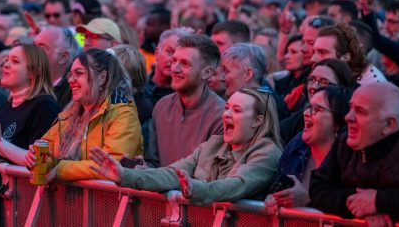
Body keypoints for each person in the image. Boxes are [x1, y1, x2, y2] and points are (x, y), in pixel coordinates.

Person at [89, 87, 282, 206]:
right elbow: (172, 173)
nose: (227, 115)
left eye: (237, 110)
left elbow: (236, 185)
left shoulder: (267, 153)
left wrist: (196, 188)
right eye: (226, 108)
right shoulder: (214, 143)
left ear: (258, 121)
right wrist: (125, 175)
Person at [310, 83, 399, 224]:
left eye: (360, 111)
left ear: (389, 124)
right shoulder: (344, 141)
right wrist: (358, 206)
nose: (348, 117)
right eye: (351, 107)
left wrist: (380, 202)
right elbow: (318, 188)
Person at [9, 48, 142, 182]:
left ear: (102, 77)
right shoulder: (70, 113)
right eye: (70, 74)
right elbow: (48, 149)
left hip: (109, 201)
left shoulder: (123, 114)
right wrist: (37, 159)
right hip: (70, 201)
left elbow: (110, 166)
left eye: (79, 73)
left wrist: (59, 170)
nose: (71, 80)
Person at [265, 86, 352, 214]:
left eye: (316, 109)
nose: (306, 113)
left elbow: (352, 207)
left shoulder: (348, 161)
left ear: (337, 123)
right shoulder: (297, 145)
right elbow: (275, 190)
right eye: (308, 107)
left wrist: (308, 199)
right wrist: (272, 199)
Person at [0, 43, 60, 154]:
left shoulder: (45, 106)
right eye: (7, 60)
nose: (6, 65)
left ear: (34, 72)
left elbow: (38, 160)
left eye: (15, 61)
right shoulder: (6, 106)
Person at [146, 34, 225, 168]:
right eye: (174, 60)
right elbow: (153, 162)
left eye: (185, 64)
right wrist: (140, 168)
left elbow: (207, 175)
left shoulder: (221, 116)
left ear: (206, 73)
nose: (174, 69)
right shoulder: (162, 106)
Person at [280, 59, 355, 144]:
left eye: (324, 82)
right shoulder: (290, 126)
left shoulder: (351, 133)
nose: (314, 86)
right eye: (312, 79)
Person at [311, 23, 385, 84]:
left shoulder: (370, 86)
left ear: (346, 57)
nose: (312, 59)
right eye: (314, 52)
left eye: (322, 52)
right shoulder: (314, 81)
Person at [141, 28, 193, 110]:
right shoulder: (139, 87)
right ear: (157, 53)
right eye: (169, 52)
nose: (173, 60)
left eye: (181, 56)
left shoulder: (188, 99)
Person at [34, 26, 78, 109]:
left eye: (41, 48)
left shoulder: (75, 93)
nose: (32, 53)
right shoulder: (24, 84)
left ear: (63, 57)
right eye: (34, 47)